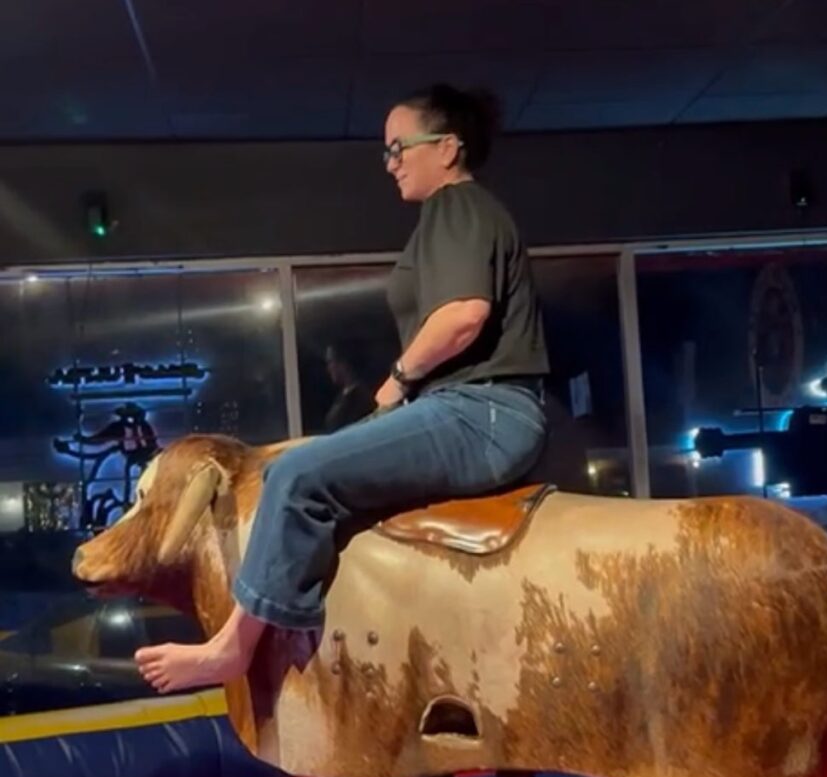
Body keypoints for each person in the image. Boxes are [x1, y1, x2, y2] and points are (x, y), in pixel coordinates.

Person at [135, 83, 550, 693]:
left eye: (399, 147)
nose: (391, 163)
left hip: (480, 412)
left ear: (448, 148)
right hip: (470, 408)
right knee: (312, 460)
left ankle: (233, 647)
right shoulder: (453, 215)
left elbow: (463, 315)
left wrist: (397, 381)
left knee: (295, 474)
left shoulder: (456, 206)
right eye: (387, 152)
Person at [321, 343, 375, 433]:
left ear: (343, 363)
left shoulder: (361, 398)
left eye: (331, 362)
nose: (328, 368)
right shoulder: (342, 396)